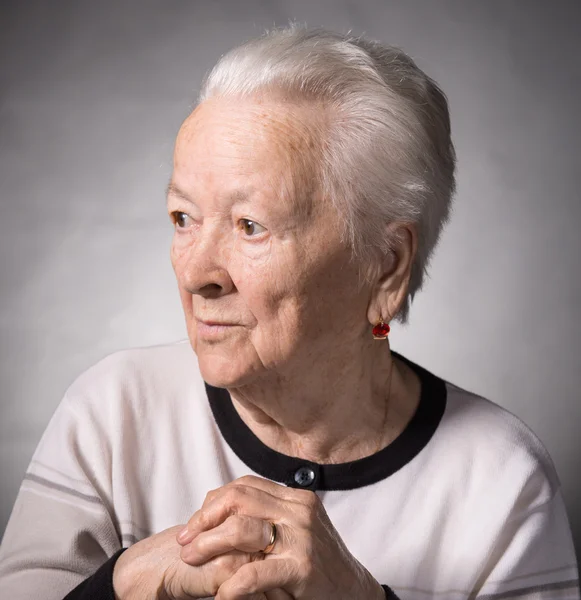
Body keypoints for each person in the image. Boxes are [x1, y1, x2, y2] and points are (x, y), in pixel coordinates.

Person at [0, 24, 579, 600]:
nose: (196, 273)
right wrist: (126, 582)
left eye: (251, 226)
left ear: (385, 265)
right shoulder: (111, 415)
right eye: (183, 218)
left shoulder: (502, 482)